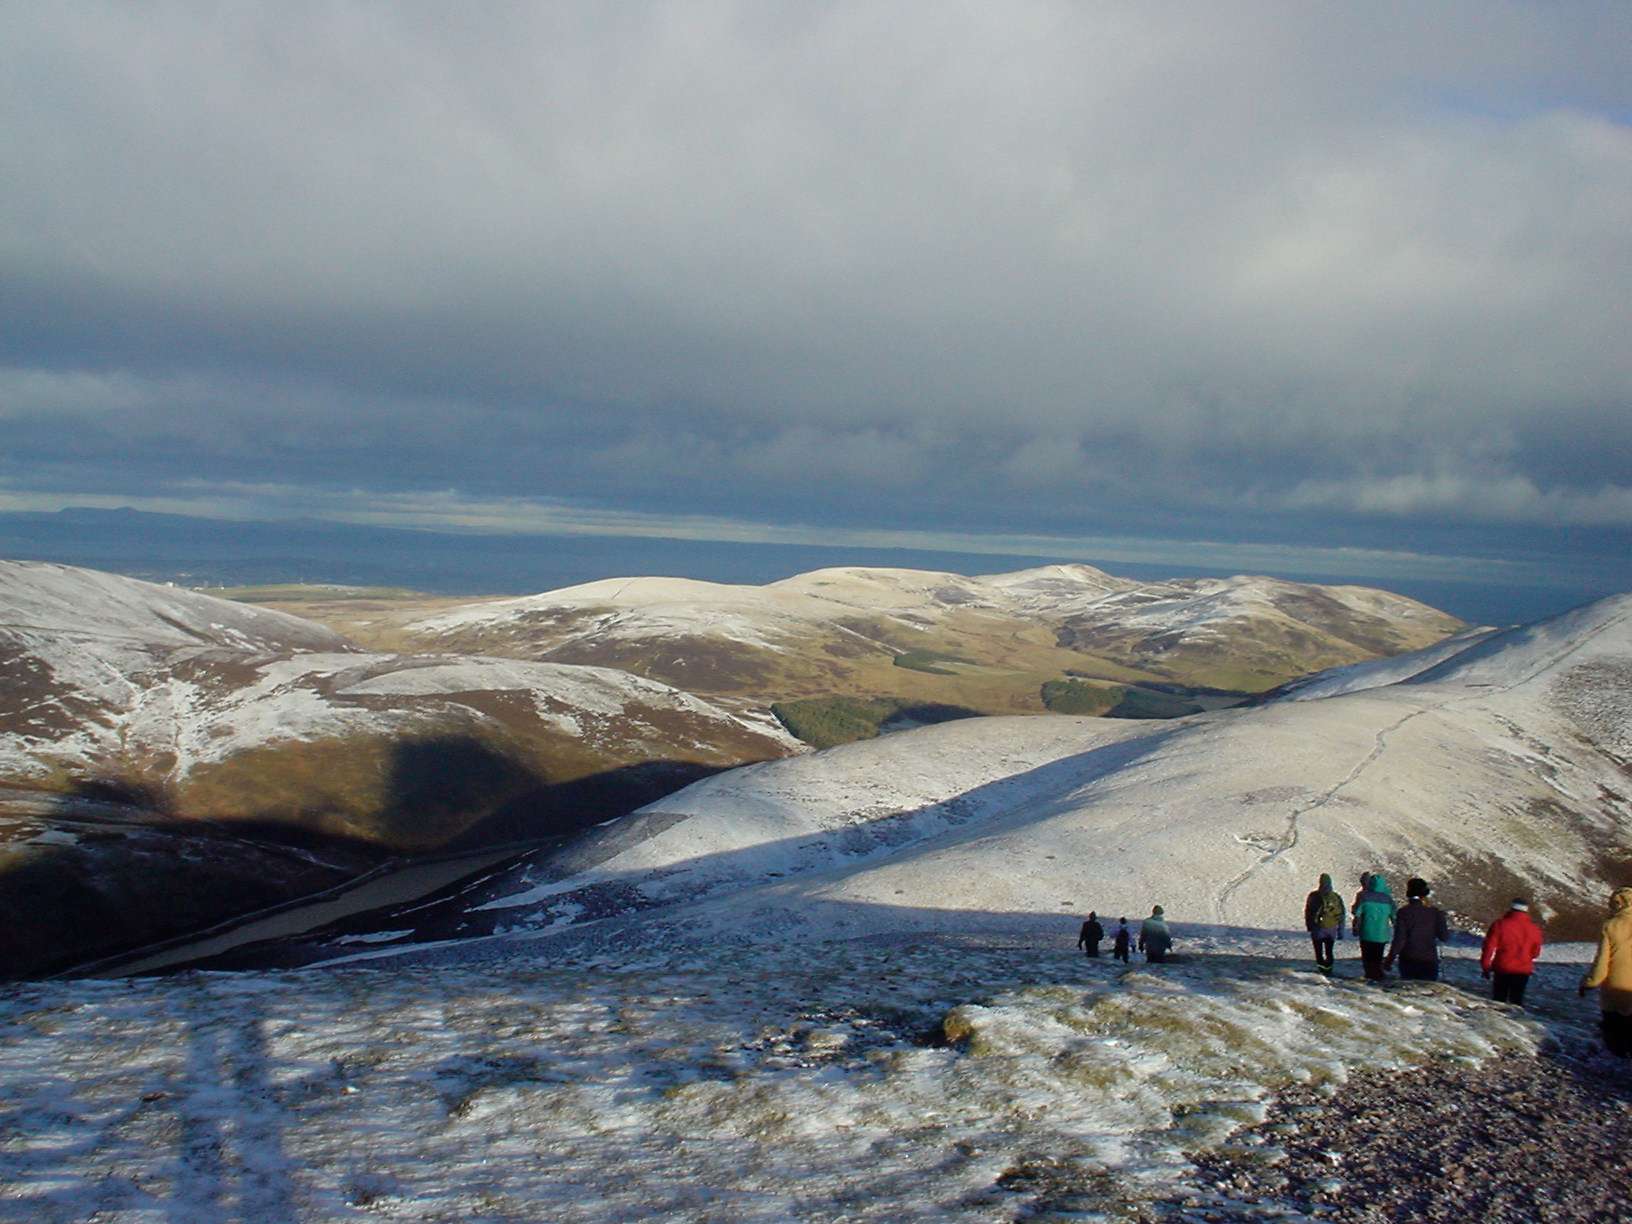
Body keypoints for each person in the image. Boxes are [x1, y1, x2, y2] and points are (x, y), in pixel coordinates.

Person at [1579, 886, 1632, 1056]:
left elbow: (1601, 964)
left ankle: (1614, 1061)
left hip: (1615, 989)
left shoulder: (1611, 926)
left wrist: (1589, 983)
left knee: (1614, 1035)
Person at [1482, 897, 1544, 1006]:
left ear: (1511, 908)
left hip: (1502, 967)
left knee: (1499, 1000)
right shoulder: (1535, 929)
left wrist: (1485, 966)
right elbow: (1535, 953)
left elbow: (1489, 947)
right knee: (1516, 1000)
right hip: (1523, 970)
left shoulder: (1500, 924)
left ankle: (1499, 1021)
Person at [1385, 877, 1449, 980]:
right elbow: (1444, 937)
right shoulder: (1435, 912)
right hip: (1429, 960)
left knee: (1409, 992)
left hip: (1408, 958)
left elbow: (1399, 940)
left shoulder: (1403, 912)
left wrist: (1389, 960)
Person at [1352, 873, 1397, 981]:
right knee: (1378, 957)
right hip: (1381, 935)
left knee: (1367, 958)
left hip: (1366, 933)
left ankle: (1369, 976)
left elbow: (1356, 913)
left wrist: (1356, 927)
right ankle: (1377, 977)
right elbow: (1394, 917)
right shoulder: (1388, 899)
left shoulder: (1364, 897)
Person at [1304, 872, 1345, 974]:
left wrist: (1309, 925)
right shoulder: (1336, 897)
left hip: (1317, 928)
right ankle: (1329, 969)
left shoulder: (1313, 896)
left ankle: (1321, 968)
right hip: (1331, 928)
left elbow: (1308, 911)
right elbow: (1341, 914)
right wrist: (1340, 930)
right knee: (1329, 951)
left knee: (1318, 951)